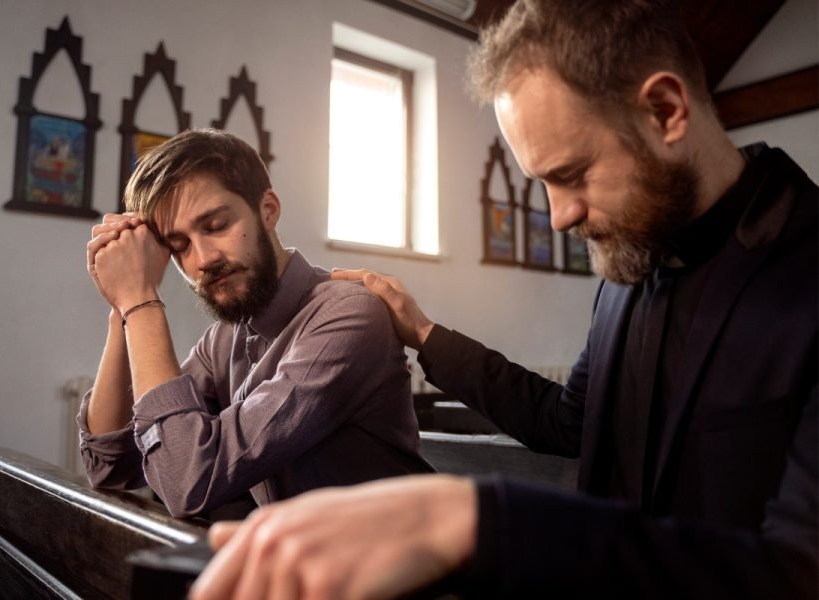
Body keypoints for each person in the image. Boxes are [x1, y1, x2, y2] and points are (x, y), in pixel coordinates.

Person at [189, 0, 817, 598]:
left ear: (666, 110)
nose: (560, 215)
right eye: (540, 182)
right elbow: (568, 422)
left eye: (570, 175)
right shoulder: (632, 267)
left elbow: (797, 573)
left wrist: (473, 520)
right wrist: (427, 334)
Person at [78, 128, 433, 518]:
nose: (203, 260)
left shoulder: (348, 314)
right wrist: (123, 308)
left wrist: (140, 300)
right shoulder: (224, 339)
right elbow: (110, 466)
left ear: (267, 210)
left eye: (215, 226)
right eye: (179, 246)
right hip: (306, 569)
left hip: (397, 573)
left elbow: (187, 481)